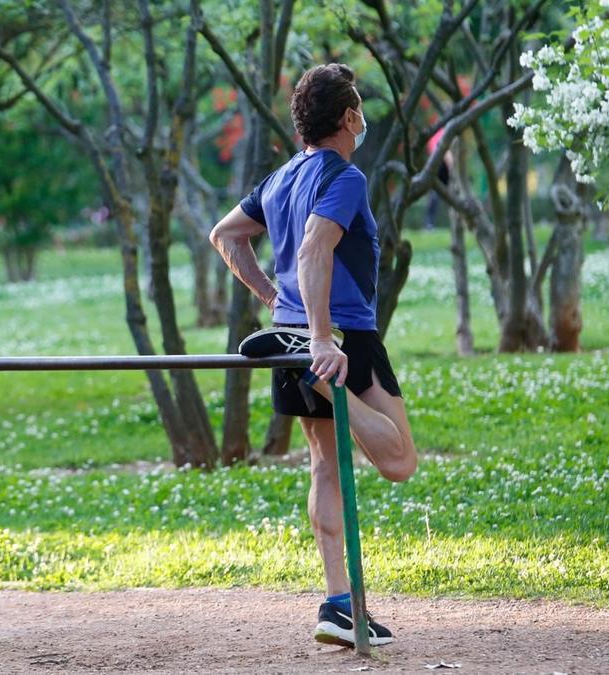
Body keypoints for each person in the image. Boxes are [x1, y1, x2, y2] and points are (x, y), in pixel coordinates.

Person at [209, 64, 418, 647]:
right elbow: (313, 248)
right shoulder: (344, 176)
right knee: (399, 461)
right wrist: (323, 342)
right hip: (340, 338)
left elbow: (225, 236)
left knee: (327, 466)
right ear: (349, 117)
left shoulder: (278, 179)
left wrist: (276, 303)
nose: (362, 118)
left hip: (289, 336)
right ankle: (323, 376)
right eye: (358, 108)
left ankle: (337, 605)